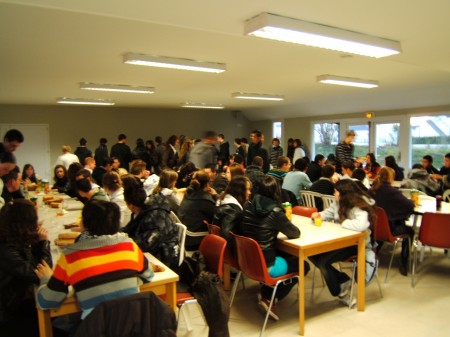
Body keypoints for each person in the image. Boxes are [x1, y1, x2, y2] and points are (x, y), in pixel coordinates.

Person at [35, 200, 154, 332]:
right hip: (134, 326)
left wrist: (46, 278)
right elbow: (149, 276)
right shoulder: (130, 246)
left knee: (61, 324)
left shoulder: (71, 256)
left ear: (84, 224)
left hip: (97, 329)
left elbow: (46, 302)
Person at [240, 175, 309, 321]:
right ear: (276, 191)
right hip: (266, 266)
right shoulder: (275, 211)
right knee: (303, 265)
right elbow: (294, 233)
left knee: (287, 257)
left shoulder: (248, 205)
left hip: (249, 261)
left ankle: (267, 290)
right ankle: (269, 298)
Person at [310, 179, 375, 308]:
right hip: (340, 241)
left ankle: (341, 293)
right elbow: (328, 213)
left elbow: (361, 225)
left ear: (344, 194)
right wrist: (319, 215)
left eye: (336, 192)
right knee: (312, 254)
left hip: (356, 244)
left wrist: (343, 223)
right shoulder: (339, 202)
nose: (334, 194)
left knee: (323, 262)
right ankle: (343, 280)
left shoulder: (359, 206)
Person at [0, 200, 52, 337]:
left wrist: (35, 240)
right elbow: (42, 273)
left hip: (18, 300)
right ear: (24, 224)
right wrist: (44, 243)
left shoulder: (12, 238)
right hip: (11, 312)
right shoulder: (7, 250)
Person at [369, 167, 414, 275]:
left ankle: (372, 254)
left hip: (374, 228)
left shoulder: (371, 190)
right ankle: (403, 261)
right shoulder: (392, 192)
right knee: (410, 232)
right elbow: (409, 206)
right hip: (391, 229)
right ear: (390, 177)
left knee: (383, 222)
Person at [123, 185, 179, 269]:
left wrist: (125, 243)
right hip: (159, 248)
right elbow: (130, 228)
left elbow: (148, 243)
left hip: (165, 255)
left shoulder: (153, 216)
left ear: (131, 205)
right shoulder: (146, 209)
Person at [178, 170, 217, 250]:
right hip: (194, 239)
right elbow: (216, 215)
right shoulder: (205, 200)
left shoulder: (188, 194)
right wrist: (215, 196)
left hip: (184, 236)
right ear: (207, 184)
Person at [212, 176, 251, 250]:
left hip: (216, 248)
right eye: (248, 189)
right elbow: (226, 236)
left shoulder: (222, 201)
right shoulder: (233, 211)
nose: (250, 192)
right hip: (227, 253)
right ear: (240, 191)